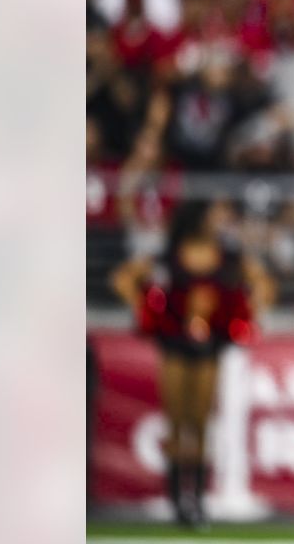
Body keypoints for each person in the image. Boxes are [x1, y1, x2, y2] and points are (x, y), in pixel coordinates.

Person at [111, 199, 275, 527]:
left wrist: (246, 314)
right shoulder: (170, 256)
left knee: (199, 423)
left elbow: (264, 284)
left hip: (210, 345)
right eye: (213, 215)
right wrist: (145, 310)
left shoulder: (228, 256)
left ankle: (196, 499)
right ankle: (176, 500)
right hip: (174, 344)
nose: (219, 221)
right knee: (176, 421)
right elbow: (124, 278)